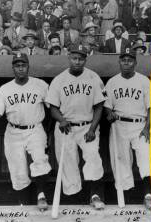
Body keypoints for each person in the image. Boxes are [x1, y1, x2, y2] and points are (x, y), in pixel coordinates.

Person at [0, 53, 52, 211]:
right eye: (17, 65)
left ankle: (41, 195)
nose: (20, 68)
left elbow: (52, 106)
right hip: (14, 131)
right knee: (17, 170)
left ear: (28, 66)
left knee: (40, 159)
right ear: (13, 68)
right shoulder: (5, 89)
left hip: (35, 128)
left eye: (23, 65)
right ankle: (23, 205)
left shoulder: (40, 85)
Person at [45, 43, 107, 210]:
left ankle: (95, 195)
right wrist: (61, 119)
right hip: (66, 127)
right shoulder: (59, 80)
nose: (77, 61)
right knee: (67, 162)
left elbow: (99, 106)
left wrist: (93, 129)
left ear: (85, 59)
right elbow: (52, 107)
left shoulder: (93, 78)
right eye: (74, 58)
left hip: (87, 125)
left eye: (81, 58)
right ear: (69, 57)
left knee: (93, 157)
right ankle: (75, 198)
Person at [104, 47, 151, 210]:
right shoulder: (112, 81)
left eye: (130, 60)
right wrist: (109, 113)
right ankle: (124, 196)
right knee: (121, 159)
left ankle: (148, 195)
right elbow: (107, 105)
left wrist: (147, 128)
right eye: (123, 60)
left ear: (135, 62)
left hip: (139, 124)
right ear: (119, 62)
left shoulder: (144, 81)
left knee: (146, 159)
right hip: (119, 124)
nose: (126, 62)